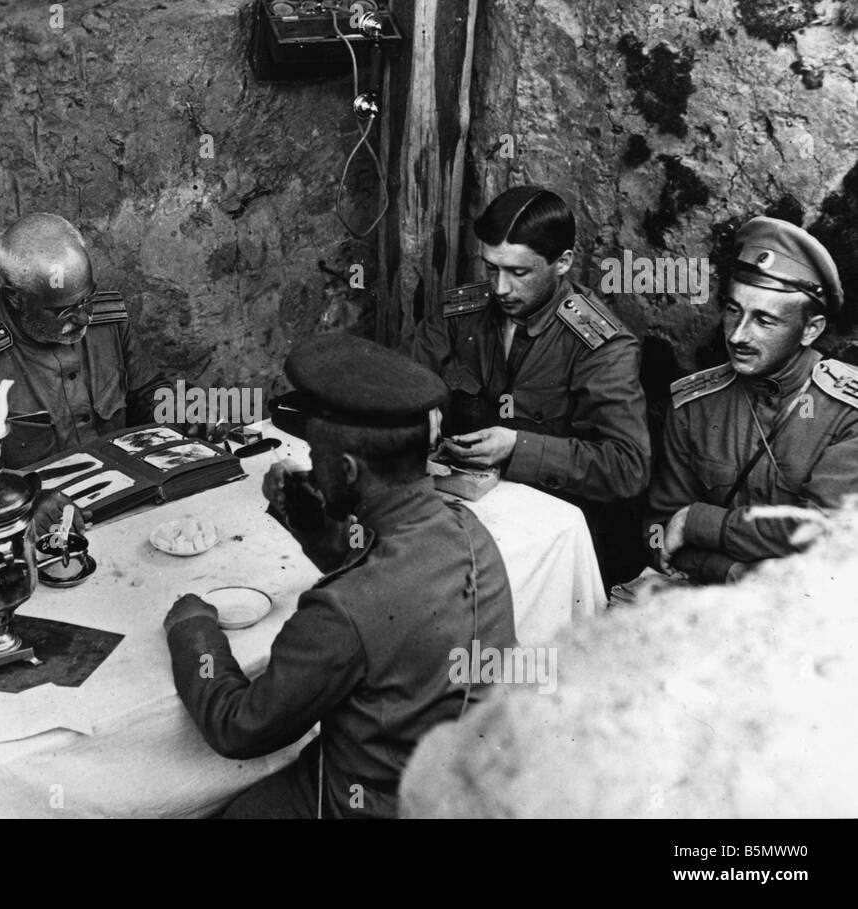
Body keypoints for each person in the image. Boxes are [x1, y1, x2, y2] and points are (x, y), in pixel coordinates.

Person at [162, 333, 518, 819]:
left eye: (319, 457)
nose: (313, 465)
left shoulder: (339, 611)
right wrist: (309, 522)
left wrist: (193, 630)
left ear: (349, 469)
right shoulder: (466, 530)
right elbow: (387, 587)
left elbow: (239, 727)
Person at [408, 186, 651, 587]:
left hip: (550, 541)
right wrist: (417, 404)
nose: (499, 288)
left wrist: (517, 449)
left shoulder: (601, 346)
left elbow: (627, 466)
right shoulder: (462, 312)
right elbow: (403, 372)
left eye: (519, 273)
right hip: (464, 514)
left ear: (562, 263)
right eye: (490, 268)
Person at [0, 212, 170, 504]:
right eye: (62, 311)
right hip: (30, 524)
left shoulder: (109, 320)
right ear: (16, 298)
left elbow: (147, 391)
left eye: (87, 299)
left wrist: (182, 411)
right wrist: (17, 498)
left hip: (127, 495)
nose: (84, 317)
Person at [647, 216, 857, 584]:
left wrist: (699, 522)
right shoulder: (694, 405)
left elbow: (824, 534)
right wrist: (732, 573)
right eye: (733, 310)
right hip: (704, 597)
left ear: (811, 329)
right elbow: (659, 531)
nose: (738, 335)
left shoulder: (846, 413)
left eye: (764, 320)